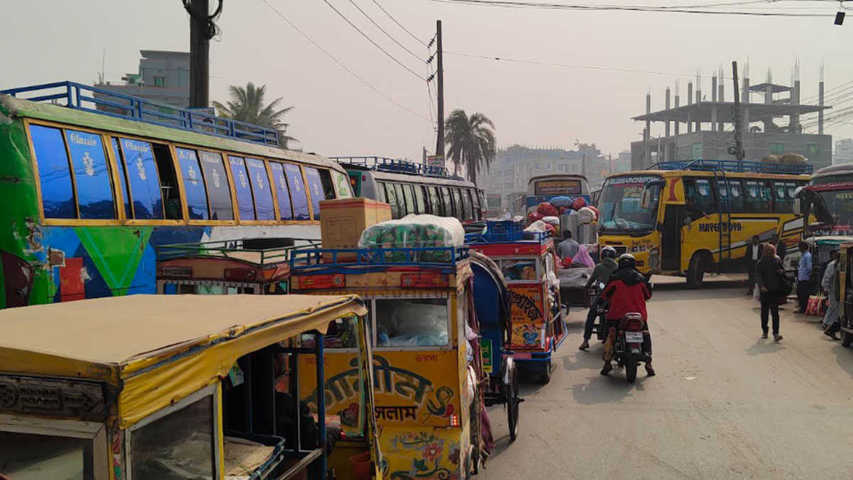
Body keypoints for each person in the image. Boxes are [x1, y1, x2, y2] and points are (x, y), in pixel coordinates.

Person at [600, 254, 654, 376]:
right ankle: (649, 364)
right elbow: (648, 296)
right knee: (645, 333)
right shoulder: (641, 278)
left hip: (616, 316)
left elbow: (605, 295)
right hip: (639, 316)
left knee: (611, 334)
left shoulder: (614, 278)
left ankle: (607, 363)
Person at [579, 246, 619, 351]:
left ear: (602, 256)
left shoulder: (599, 267)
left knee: (591, 315)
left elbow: (591, 281)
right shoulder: (618, 267)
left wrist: (587, 287)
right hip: (615, 298)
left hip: (602, 297)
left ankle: (585, 341)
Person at [756, 243, 785, 342]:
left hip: (774, 290)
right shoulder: (761, 262)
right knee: (764, 313)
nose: (770, 252)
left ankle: (776, 333)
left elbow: (782, 270)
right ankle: (765, 330)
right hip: (765, 291)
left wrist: (781, 272)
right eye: (768, 251)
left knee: (775, 313)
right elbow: (758, 276)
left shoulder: (777, 260)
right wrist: (762, 286)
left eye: (771, 251)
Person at [822, 250, 841, 340]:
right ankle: (829, 326)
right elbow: (827, 277)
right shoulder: (832, 265)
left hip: (837, 290)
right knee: (835, 308)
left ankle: (827, 324)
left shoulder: (839, 264)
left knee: (833, 308)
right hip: (833, 290)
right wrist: (825, 288)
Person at [796, 241, 813, 314]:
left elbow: (809, 268)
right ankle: (802, 307)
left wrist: (807, 275)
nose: (799, 248)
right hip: (801, 277)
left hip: (805, 278)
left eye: (800, 247)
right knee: (800, 293)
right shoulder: (803, 255)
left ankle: (803, 309)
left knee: (804, 295)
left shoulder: (807, 256)